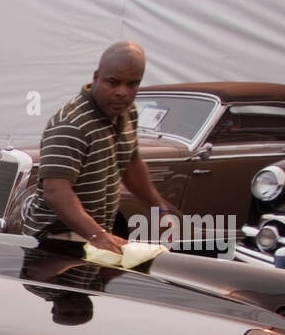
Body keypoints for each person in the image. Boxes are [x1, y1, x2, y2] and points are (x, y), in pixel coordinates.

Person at [21, 42, 177, 252]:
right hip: (55, 241)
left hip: (93, 235)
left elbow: (131, 166)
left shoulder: (127, 113)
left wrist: (158, 208)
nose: (122, 92)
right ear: (96, 77)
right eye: (113, 82)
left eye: (132, 84)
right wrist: (98, 236)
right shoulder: (72, 124)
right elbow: (56, 191)